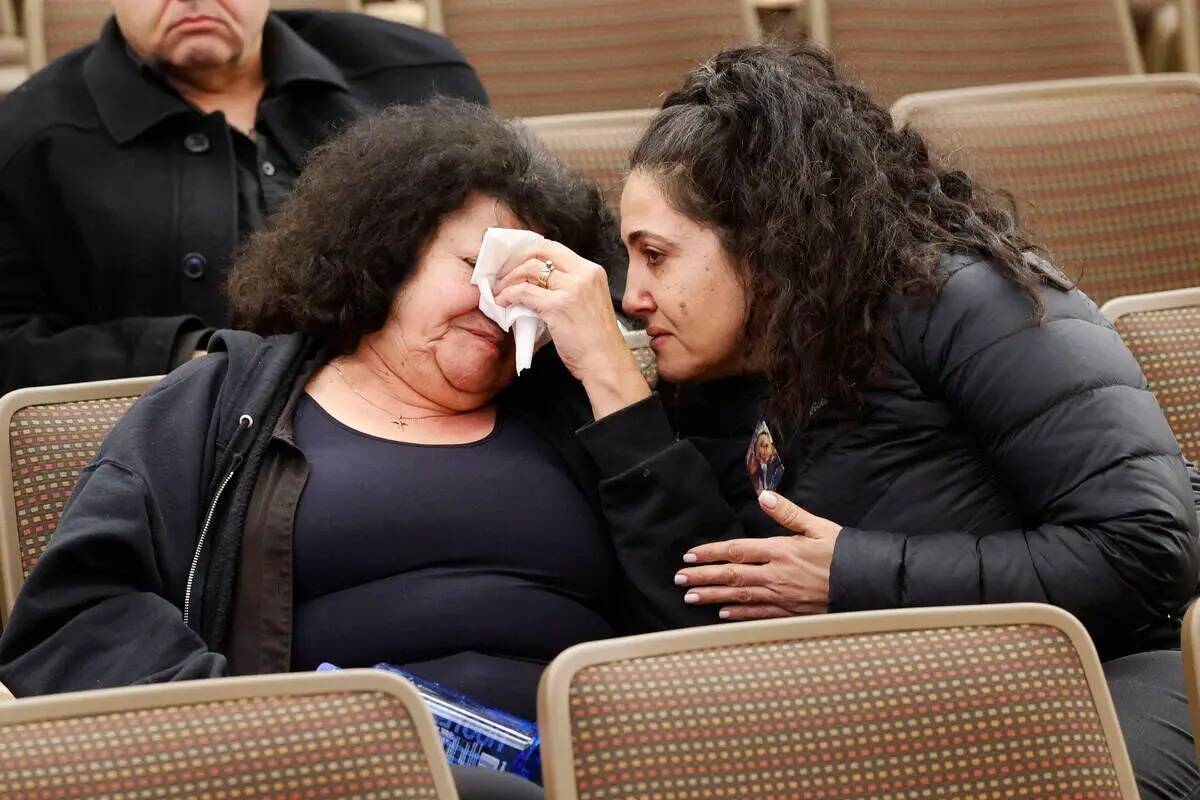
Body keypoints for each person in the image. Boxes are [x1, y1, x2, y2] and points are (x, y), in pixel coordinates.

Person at [489, 44, 1200, 799]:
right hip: (896, 700)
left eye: (657, 256)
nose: (634, 295)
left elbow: (1148, 545)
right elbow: (706, 620)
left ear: (765, 240)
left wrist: (854, 575)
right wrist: (614, 389)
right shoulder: (731, 370)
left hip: (1107, 671)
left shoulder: (962, 299)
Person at [0, 100, 649, 800]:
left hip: (588, 765)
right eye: (481, 266)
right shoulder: (231, 397)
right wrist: (271, 730)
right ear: (392, 253)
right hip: (329, 769)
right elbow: (78, 612)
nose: (502, 306)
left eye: (535, 288)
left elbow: (707, 614)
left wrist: (615, 381)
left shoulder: (580, 411)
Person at [0, 0, 487, 394]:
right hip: (194, 453)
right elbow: (11, 343)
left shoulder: (418, 77)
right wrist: (180, 356)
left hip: (432, 410)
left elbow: (500, 253)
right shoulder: (25, 139)